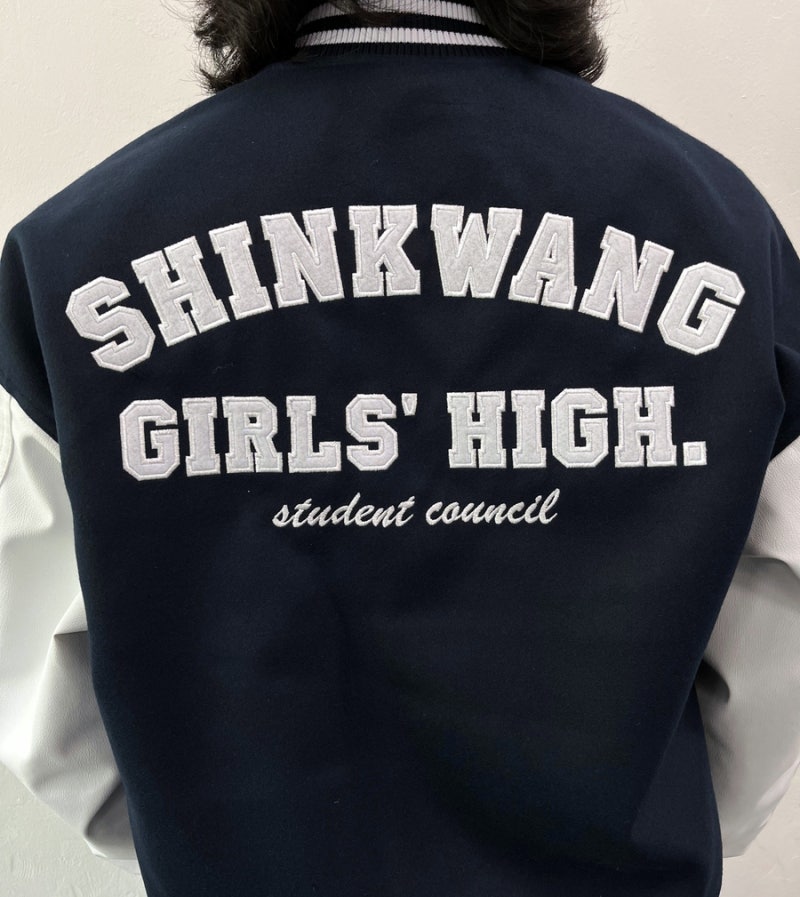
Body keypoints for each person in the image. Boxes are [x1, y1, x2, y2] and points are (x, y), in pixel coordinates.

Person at [0, 1, 798, 895]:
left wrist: (201, 828)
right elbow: (777, 642)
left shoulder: (77, 257)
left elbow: (49, 715)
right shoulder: (727, 237)